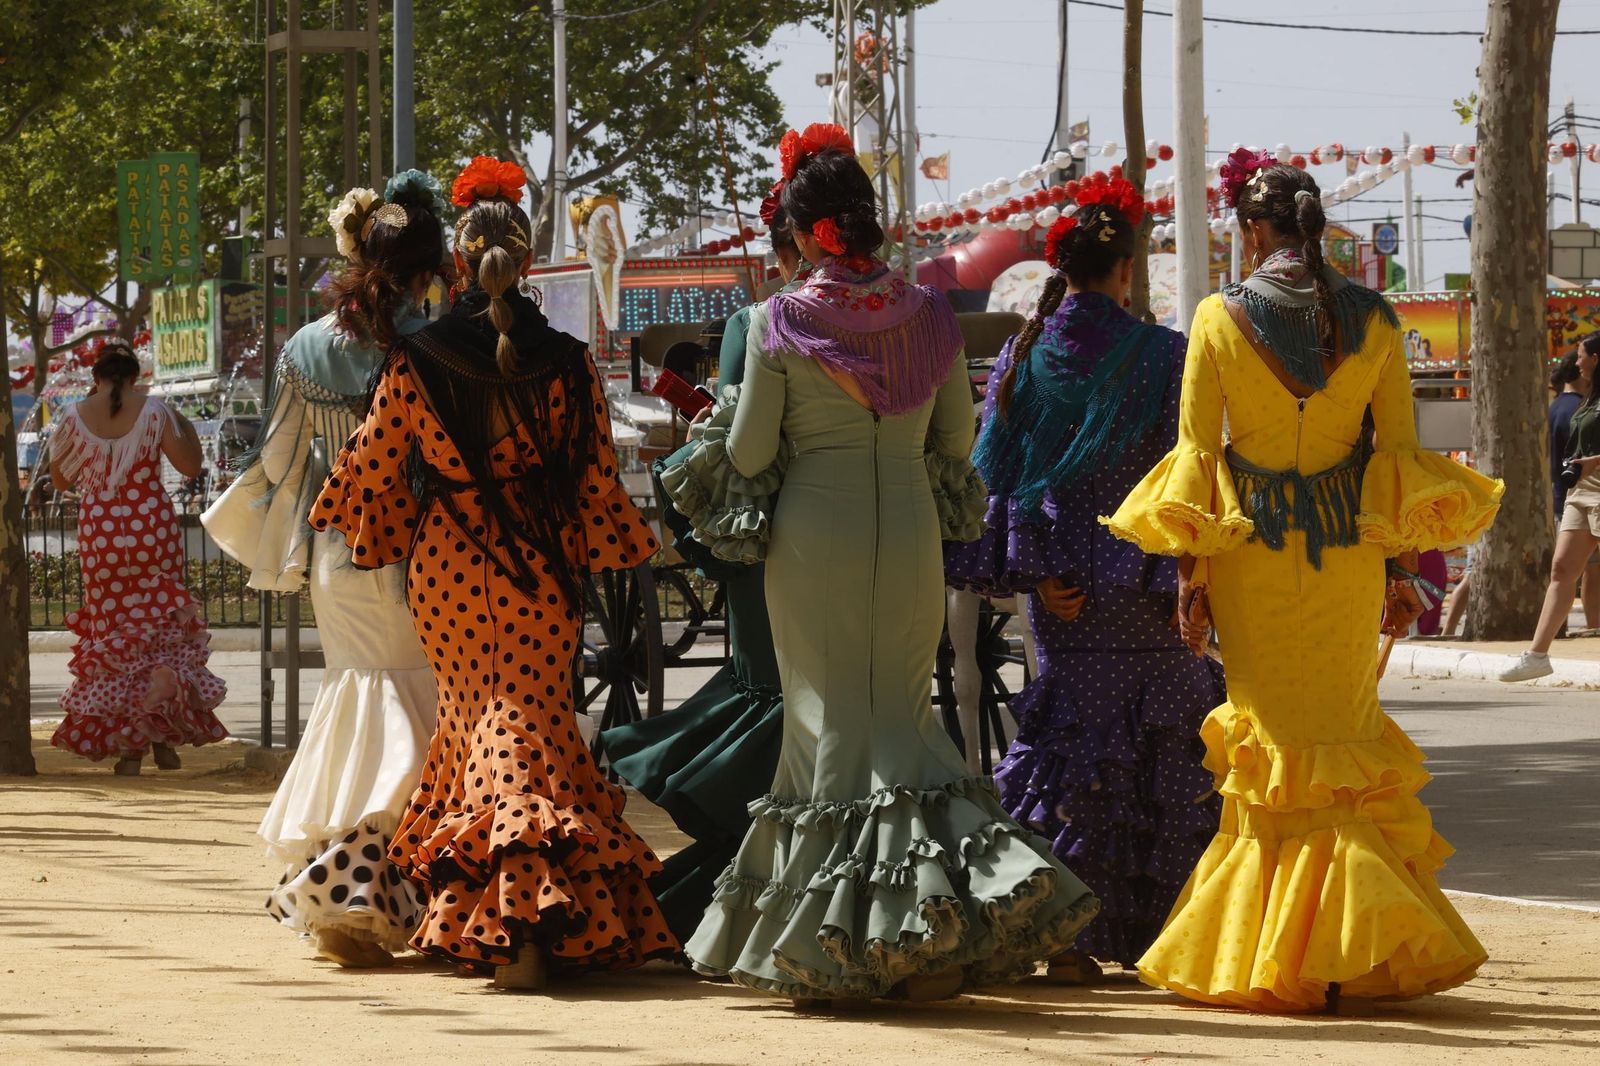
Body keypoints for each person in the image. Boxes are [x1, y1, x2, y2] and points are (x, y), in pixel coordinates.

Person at [666, 125, 1098, 1004]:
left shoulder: (775, 319)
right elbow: (955, 441)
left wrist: (728, 420)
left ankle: (834, 947)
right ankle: (930, 931)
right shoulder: (933, 315)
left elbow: (747, 458)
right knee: (902, 722)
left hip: (812, 538)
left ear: (800, 229)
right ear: (865, 221)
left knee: (826, 727)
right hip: (907, 530)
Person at [1106, 151, 1502, 1013]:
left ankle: (1277, 951)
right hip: (1347, 562)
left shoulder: (1216, 316)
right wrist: (1402, 571)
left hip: (1250, 558)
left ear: (1253, 231)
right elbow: (1392, 457)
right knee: (1342, 739)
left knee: (1272, 748)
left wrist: (1191, 576)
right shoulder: (1375, 317)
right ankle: (1350, 950)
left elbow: (1199, 458)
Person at [308, 157, 675, 990]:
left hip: (449, 564)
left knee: (478, 722)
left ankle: (510, 925)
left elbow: (372, 466)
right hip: (539, 559)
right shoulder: (572, 359)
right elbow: (593, 480)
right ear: (530, 257)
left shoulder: (419, 357)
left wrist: (353, 519)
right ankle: (546, 916)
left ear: (462, 262)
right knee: (538, 721)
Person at [945, 172, 1225, 980]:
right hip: (1148, 587)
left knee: (1071, 755)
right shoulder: (1166, 354)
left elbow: (998, 474)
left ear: (1057, 271)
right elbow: (1190, 473)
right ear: (1127, 269)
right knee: (1166, 751)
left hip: (1061, 590)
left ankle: (1064, 939)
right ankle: (1172, 932)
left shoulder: (1023, 355)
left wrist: (1029, 577)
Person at [203, 172, 445, 967]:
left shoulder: (306, 347)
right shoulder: (434, 342)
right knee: (419, 711)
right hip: (422, 554)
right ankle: (402, 888)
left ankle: (345, 889)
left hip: (338, 556)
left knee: (358, 712)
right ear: (424, 267)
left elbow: (277, 458)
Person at [600, 184, 805, 943]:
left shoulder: (761, 322)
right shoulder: (908, 318)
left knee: (770, 684)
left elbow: (737, 450)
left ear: (788, 250)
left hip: (769, 535)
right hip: (871, 538)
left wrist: (702, 441)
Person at [49, 342, 228, 774]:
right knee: (160, 632)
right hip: (152, 529)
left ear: (97, 377)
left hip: (100, 534)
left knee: (115, 636)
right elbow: (189, 467)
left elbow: (59, 477)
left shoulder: (73, 416)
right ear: (133, 377)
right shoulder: (153, 411)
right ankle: (161, 736)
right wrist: (177, 418)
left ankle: (130, 747)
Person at [1501, 337, 1600, 680]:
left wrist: (1595, 460)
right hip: (1580, 492)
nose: (1576, 360)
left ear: (1595, 359)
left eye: (1582, 355)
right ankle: (1537, 655)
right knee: (1562, 570)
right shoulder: (1588, 397)